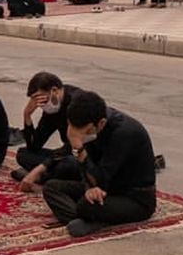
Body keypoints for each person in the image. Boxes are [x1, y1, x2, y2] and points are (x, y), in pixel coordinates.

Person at [41, 91, 157, 237]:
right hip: (105, 188)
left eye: (84, 132)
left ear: (100, 123)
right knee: (52, 187)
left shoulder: (124, 133)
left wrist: (79, 148)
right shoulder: (89, 125)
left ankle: (92, 218)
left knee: (86, 204)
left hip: (134, 198)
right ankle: (93, 220)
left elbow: (101, 177)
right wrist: (90, 187)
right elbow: (90, 172)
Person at [14, 72, 83, 187]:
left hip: (83, 154)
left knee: (68, 164)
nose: (41, 105)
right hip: (64, 154)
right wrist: (27, 115)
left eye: (43, 100)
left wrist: (41, 167)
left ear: (54, 91)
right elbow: (34, 146)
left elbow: (73, 146)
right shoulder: (52, 108)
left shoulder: (77, 103)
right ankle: (48, 177)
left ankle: (44, 177)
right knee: (23, 154)